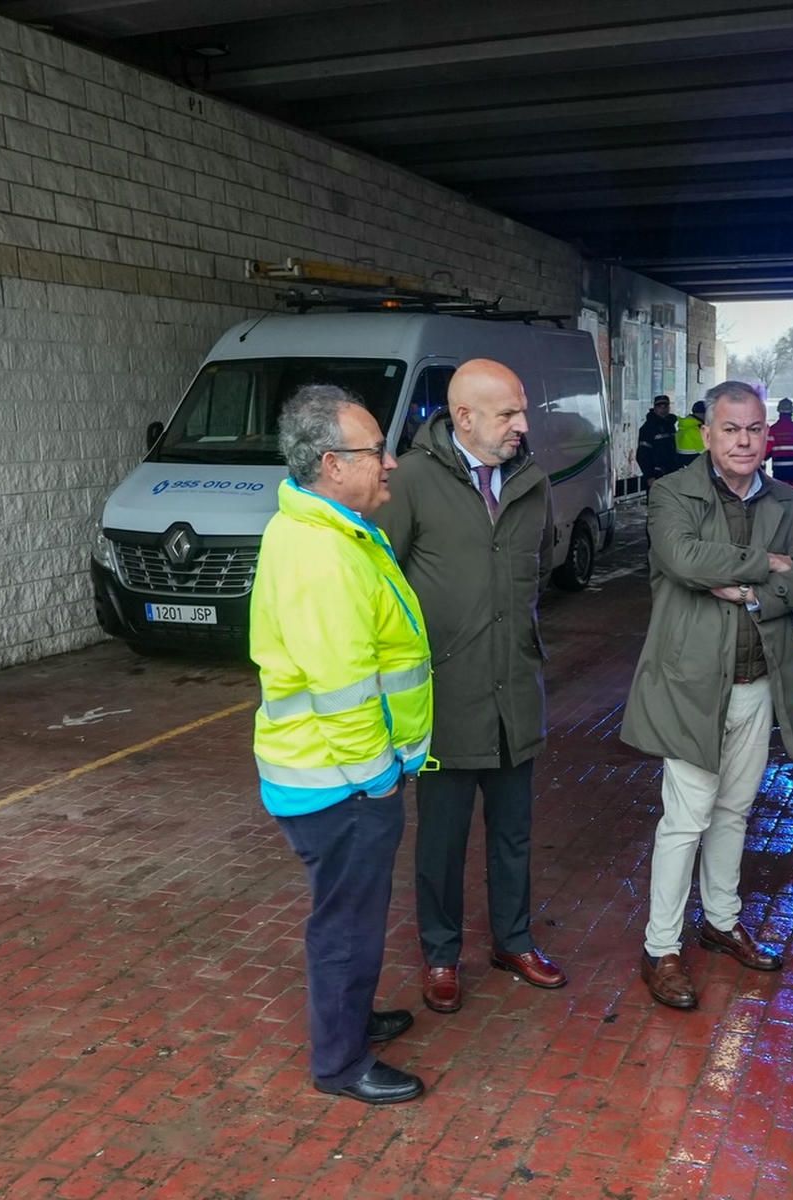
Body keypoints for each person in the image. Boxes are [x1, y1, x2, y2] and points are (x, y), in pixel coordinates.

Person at [250, 384, 434, 1106]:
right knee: (347, 925)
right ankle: (340, 1061)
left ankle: (350, 1019)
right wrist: (378, 778)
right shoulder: (323, 553)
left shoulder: (326, 528)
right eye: (376, 450)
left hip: (336, 776)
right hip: (342, 781)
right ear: (331, 464)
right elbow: (342, 689)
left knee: (352, 915)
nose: (390, 462)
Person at [622, 381, 793, 1010]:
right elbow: (684, 559)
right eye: (732, 429)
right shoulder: (672, 492)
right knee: (685, 820)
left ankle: (720, 920)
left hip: (758, 682)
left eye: (755, 429)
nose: (745, 441)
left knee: (735, 811)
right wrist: (768, 562)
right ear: (708, 433)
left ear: (767, 434)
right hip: (692, 686)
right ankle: (661, 947)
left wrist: (750, 594)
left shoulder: (784, 497)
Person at [374, 359, 568, 1017]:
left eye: (522, 410)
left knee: (514, 832)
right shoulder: (412, 480)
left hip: (514, 690)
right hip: (444, 699)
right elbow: (382, 583)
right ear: (464, 417)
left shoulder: (531, 482)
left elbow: (540, 564)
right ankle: (440, 954)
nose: (522, 425)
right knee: (442, 841)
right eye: (508, 413)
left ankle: (513, 941)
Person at [637, 394, 680, 491]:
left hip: (672, 474)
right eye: (660, 406)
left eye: (665, 406)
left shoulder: (670, 425)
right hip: (656, 475)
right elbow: (642, 454)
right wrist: (649, 476)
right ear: (654, 408)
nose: (663, 409)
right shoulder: (647, 428)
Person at [767, 397, 793, 489]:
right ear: (792, 411)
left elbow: (767, 451)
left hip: (779, 470)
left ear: (779, 411)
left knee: (780, 494)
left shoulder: (773, 429)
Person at [674, 400, 706, 468]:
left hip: (685, 466)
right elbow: (709, 451)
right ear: (703, 413)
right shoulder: (695, 430)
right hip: (696, 467)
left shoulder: (684, 427)